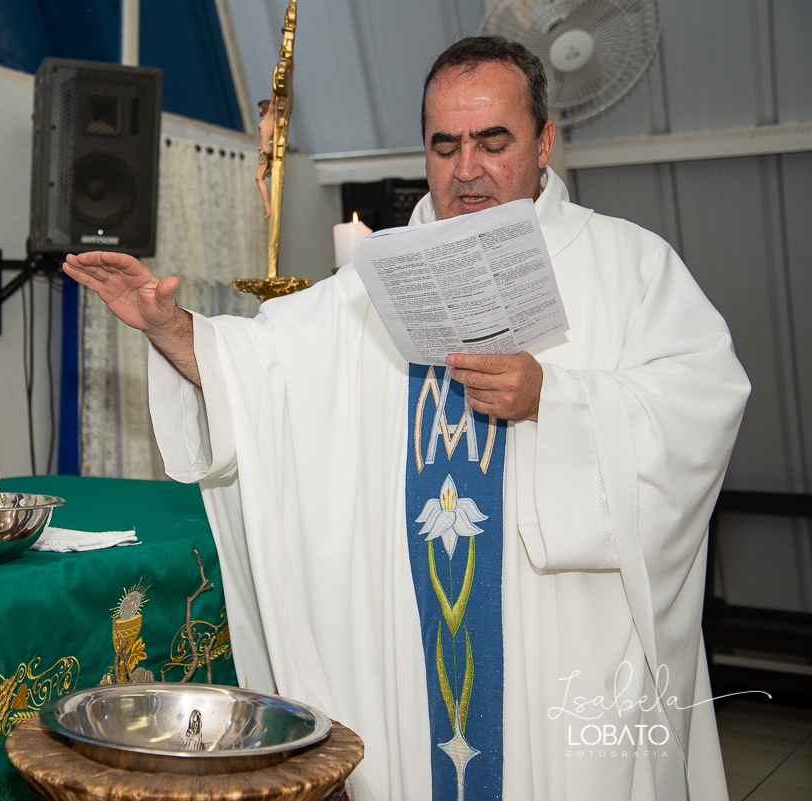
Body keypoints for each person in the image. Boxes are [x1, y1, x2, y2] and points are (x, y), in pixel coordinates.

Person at [63, 36, 748, 801]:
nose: (467, 168)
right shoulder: (371, 286)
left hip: (569, 655)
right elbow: (263, 369)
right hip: (413, 658)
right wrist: (171, 328)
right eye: (444, 146)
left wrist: (552, 399)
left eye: (493, 142)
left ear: (544, 142)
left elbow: (699, 407)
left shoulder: (628, 265)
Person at [255, 93, 276, 219]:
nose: (259, 110)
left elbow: (273, 101)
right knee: (259, 179)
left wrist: (275, 88)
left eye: (260, 108)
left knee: (258, 178)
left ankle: (267, 206)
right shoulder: (266, 120)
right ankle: (267, 205)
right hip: (263, 150)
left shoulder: (269, 118)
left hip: (265, 150)